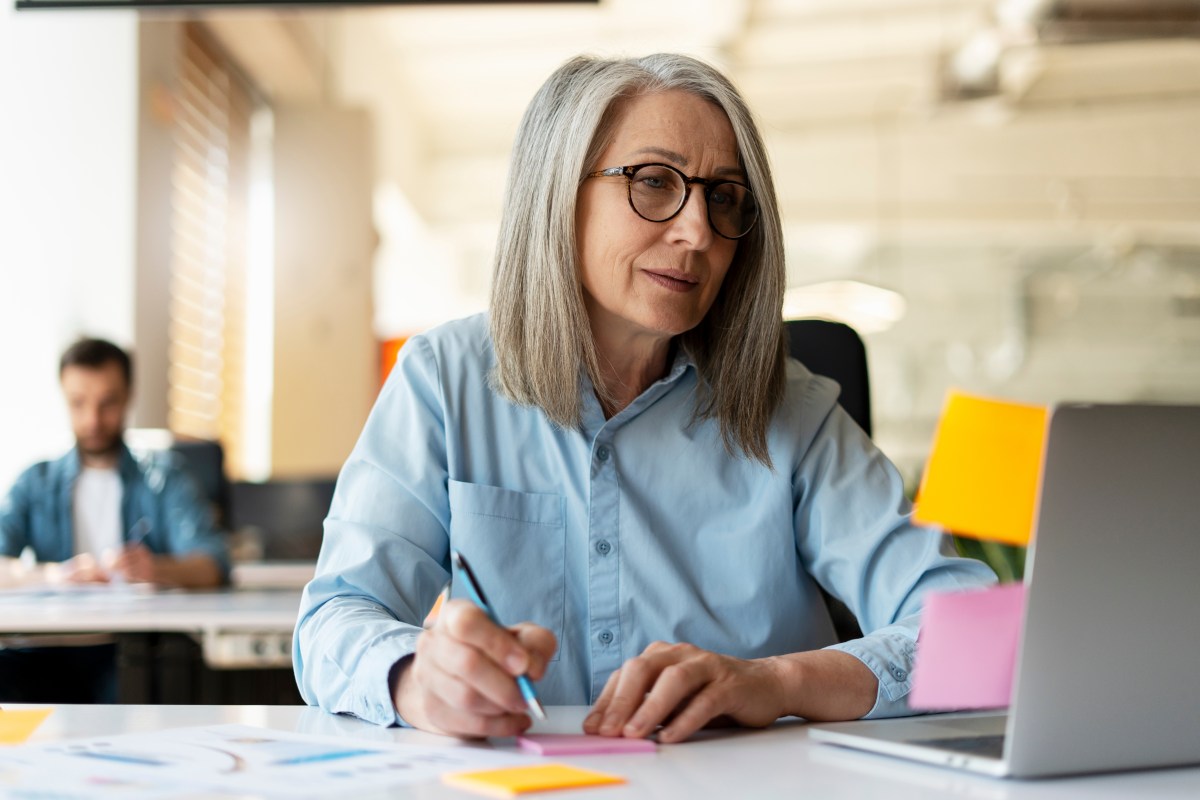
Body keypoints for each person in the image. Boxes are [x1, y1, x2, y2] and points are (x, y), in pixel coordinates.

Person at [294, 53, 996, 742]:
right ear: (557, 194)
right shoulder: (444, 379)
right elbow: (335, 618)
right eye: (654, 182)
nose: (698, 232)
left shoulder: (795, 411)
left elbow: (975, 632)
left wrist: (776, 683)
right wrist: (419, 680)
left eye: (723, 196)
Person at [0, 337, 230, 703]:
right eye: (78, 403)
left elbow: (213, 563)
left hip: (131, 651)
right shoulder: (35, 482)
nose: (93, 419)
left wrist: (157, 567)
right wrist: (51, 575)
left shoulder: (164, 478)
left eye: (108, 403)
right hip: (46, 647)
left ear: (128, 397)